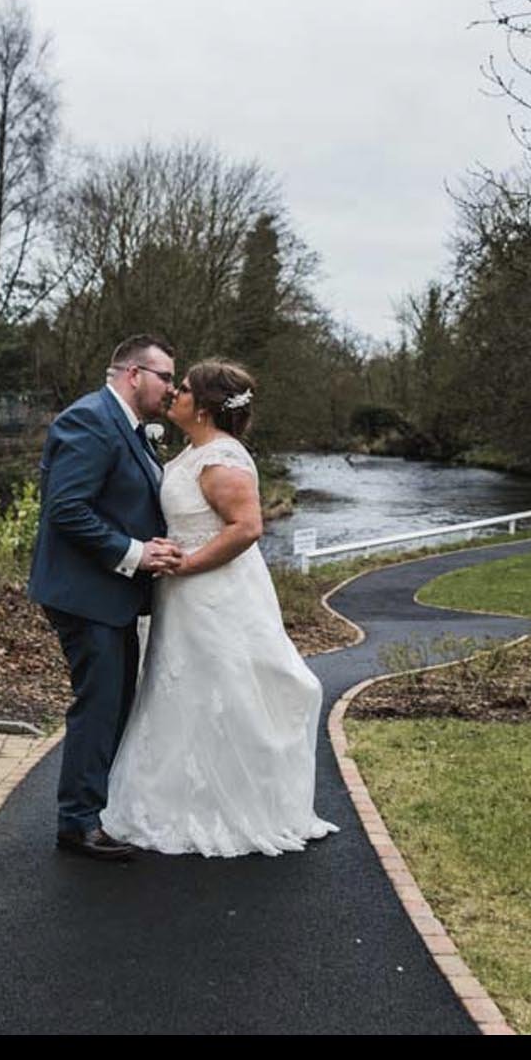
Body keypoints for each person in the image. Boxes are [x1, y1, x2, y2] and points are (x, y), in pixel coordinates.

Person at [101, 358, 339, 857]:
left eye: (183, 389)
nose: (174, 395)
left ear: (206, 408)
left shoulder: (222, 460)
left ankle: (230, 805)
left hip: (213, 594)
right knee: (184, 691)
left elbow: (247, 529)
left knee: (223, 689)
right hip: (183, 596)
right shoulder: (196, 450)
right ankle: (181, 798)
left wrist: (186, 566)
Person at [28, 333, 184, 861]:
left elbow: (123, 499)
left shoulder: (132, 429)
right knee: (98, 706)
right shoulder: (89, 419)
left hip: (111, 594)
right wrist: (136, 553)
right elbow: (67, 510)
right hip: (86, 593)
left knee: (113, 704)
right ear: (134, 374)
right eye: (166, 377)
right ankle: (76, 823)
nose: (172, 389)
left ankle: (91, 811)